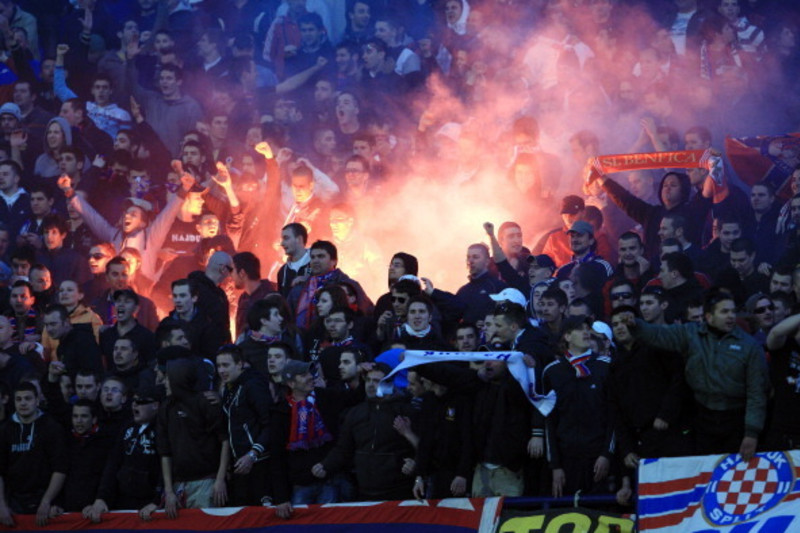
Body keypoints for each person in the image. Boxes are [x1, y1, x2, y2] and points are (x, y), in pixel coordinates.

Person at [623, 288, 769, 460]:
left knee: (733, 477)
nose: (731, 316)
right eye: (724, 311)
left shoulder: (749, 346)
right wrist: (636, 325)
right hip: (701, 417)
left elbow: (757, 393)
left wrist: (751, 433)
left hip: (736, 419)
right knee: (705, 475)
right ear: (708, 316)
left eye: (732, 311)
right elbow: (659, 334)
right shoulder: (691, 334)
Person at [157, 358, 229, 517]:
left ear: (179, 377)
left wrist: (219, 480)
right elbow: (165, 452)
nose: (164, 382)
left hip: (206, 482)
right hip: (177, 486)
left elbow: (225, 440)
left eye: (168, 378)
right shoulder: (166, 407)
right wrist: (168, 491)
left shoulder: (205, 403)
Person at [0, 382, 67, 527]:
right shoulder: (4, 430)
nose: (23, 403)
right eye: (19, 399)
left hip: (45, 499)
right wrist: (1, 505)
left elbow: (60, 469)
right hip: (14, 501)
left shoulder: (52, 427)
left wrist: (46, 501)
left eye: (27, 398)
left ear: (37, 401)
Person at [217, 345, 272, 506]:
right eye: (219, 366)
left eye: (226, 365)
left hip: (260, 464)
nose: (221, 370)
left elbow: (269, 424)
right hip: (239, 464)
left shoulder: (253, 385)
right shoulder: (229, 389)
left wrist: (253, 453)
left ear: (240, 364)